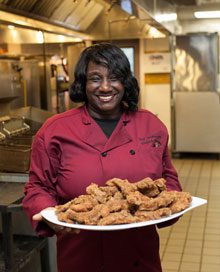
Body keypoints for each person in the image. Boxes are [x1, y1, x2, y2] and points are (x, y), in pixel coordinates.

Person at [22, 43, 182, 272]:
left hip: (139, 258)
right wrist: (48, 213)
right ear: (83, 83)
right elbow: (38, 187)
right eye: (95, 78)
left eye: (114, 77)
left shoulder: (150, 125)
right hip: (80, 256)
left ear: (125, 83)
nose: (105, 87)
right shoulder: (54, 130)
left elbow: (168, 178)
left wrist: (169, 206)